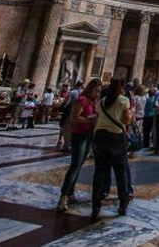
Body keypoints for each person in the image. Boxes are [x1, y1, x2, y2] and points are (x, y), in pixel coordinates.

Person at [57, 78, 101, 212]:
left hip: (88, 135)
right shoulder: (82, 100)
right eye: (96, 91)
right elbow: (74, 118)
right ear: (90, 89)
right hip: (79, 135)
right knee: (75, 165)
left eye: (99, 92)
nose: (97, 94)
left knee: (80, 163)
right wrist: (90, 120)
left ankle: (70, 192)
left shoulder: (94, 102)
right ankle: (63, 196)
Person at [91, 78, 132, 221]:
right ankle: (123, 204)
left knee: (99, 172)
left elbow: (97, 119)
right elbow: (126, 121)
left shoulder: (102, 101)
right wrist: (130, 115)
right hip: (115, 137)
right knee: (120, 172)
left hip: (100, 137)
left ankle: (95, 205)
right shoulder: (123, 100)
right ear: (121, 88)